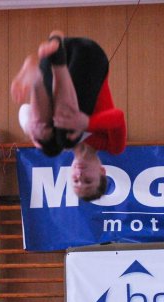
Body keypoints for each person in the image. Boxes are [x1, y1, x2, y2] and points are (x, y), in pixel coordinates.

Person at [11, 31, 126, 201]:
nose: (80, 174)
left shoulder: (58, 142)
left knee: (49, 145)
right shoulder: (111, 145)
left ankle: (38, 74)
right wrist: (86, 123)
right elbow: (118, 117)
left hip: (52, 62)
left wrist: (31, 129)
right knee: (67, 136)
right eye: (87, 180)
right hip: (90, 59)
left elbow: (24, 110)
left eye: (75, 180)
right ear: (102, 171)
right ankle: (56, 46)